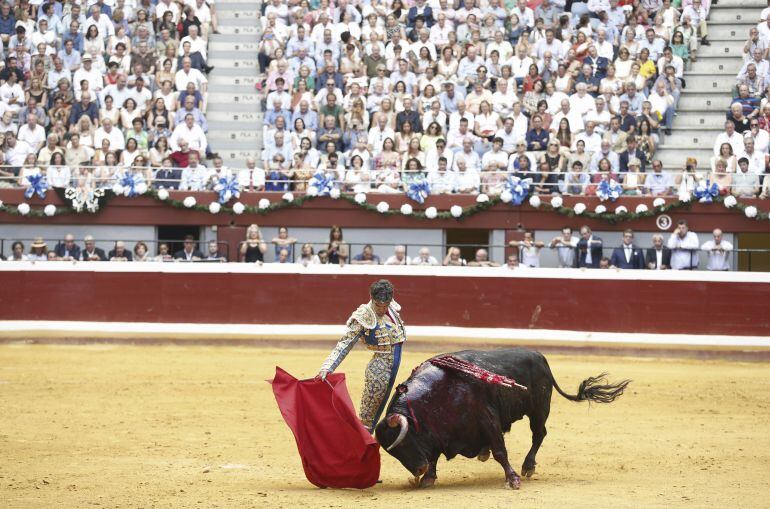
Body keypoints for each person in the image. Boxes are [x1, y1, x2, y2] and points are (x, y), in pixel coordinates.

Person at [317, 279, 406, 432]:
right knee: (368, 418)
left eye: (385, 305)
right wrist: (327, 367)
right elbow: (345, 343)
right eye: (379, 305)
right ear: (371, 298)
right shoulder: (364, 315)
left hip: (395, 365)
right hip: (379, 368)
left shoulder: (389, 306)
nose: (382, 309)